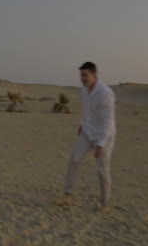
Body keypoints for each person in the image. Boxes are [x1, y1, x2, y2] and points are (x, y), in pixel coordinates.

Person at [57, 62, 116, 212]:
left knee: (102, 170)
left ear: (94, 75)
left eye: (85, 75)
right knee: (74, 159)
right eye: (81, 75)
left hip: (104, 135)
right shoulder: (84, 90)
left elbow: (108, 122)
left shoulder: (105, 93)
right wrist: (81, 125)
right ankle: (67, 196)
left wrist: (101, 145)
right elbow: (87, 111)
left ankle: (105, 204)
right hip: (88, 132)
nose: (82, 78)